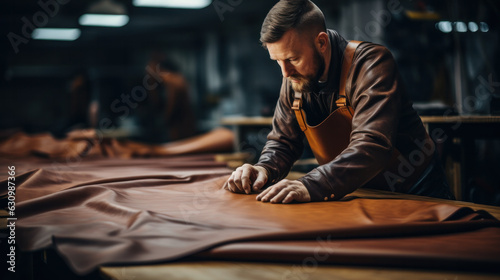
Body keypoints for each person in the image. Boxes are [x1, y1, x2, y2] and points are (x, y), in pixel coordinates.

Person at [223, 0, 453, 203]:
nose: (285, 72)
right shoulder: (295, 76)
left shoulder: (371, 64)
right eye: (278, 61)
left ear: (321, 42)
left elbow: (371, 146)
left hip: (415, 191)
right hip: (355, 191)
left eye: (293, 58)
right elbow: (283, 142)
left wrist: (311, 184)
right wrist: (264, 169)